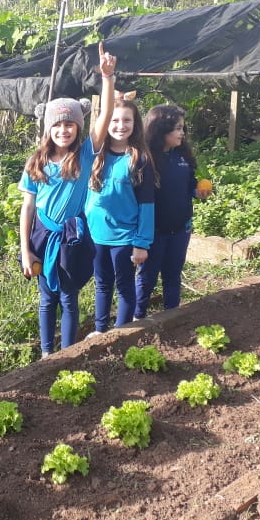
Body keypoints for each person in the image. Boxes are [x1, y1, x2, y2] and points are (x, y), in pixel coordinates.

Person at [18, 45, 116, 356]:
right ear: (49, 128)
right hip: (42, 235)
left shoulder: (85, 154)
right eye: (57, 124)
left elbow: (106, 116)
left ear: (78, 126)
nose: (63, 129)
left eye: (69, 124)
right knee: (47, 298)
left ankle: (67, 355)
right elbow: (28, 208)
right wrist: (25, 250)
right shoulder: (37, 162)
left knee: (69, 297)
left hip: (72, 236)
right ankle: (47, 355)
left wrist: (107, 78)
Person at [85, 56, 155, 334]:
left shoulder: (139, 159)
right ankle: (100, 331)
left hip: (124, 237)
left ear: (135, 124)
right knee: (101, 284)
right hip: (95, 235)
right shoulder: (93, 155)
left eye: (127, 120)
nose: (120, 125)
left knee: (124, 286)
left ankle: (121, 333)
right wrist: (107, 78)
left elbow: (147, 204)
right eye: (114, 120)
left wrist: (141, 243)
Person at [134, 105, 210, 319]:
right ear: (161, 129)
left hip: (180, 229)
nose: (182, 133)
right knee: (146, 278)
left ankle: (172, 318)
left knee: (173, 276)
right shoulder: (146, 159)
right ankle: (136, 319)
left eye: (183, 128)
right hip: (154, 232)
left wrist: (197, 191)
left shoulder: (182, 156)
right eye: (177, 128)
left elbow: (189, 183)